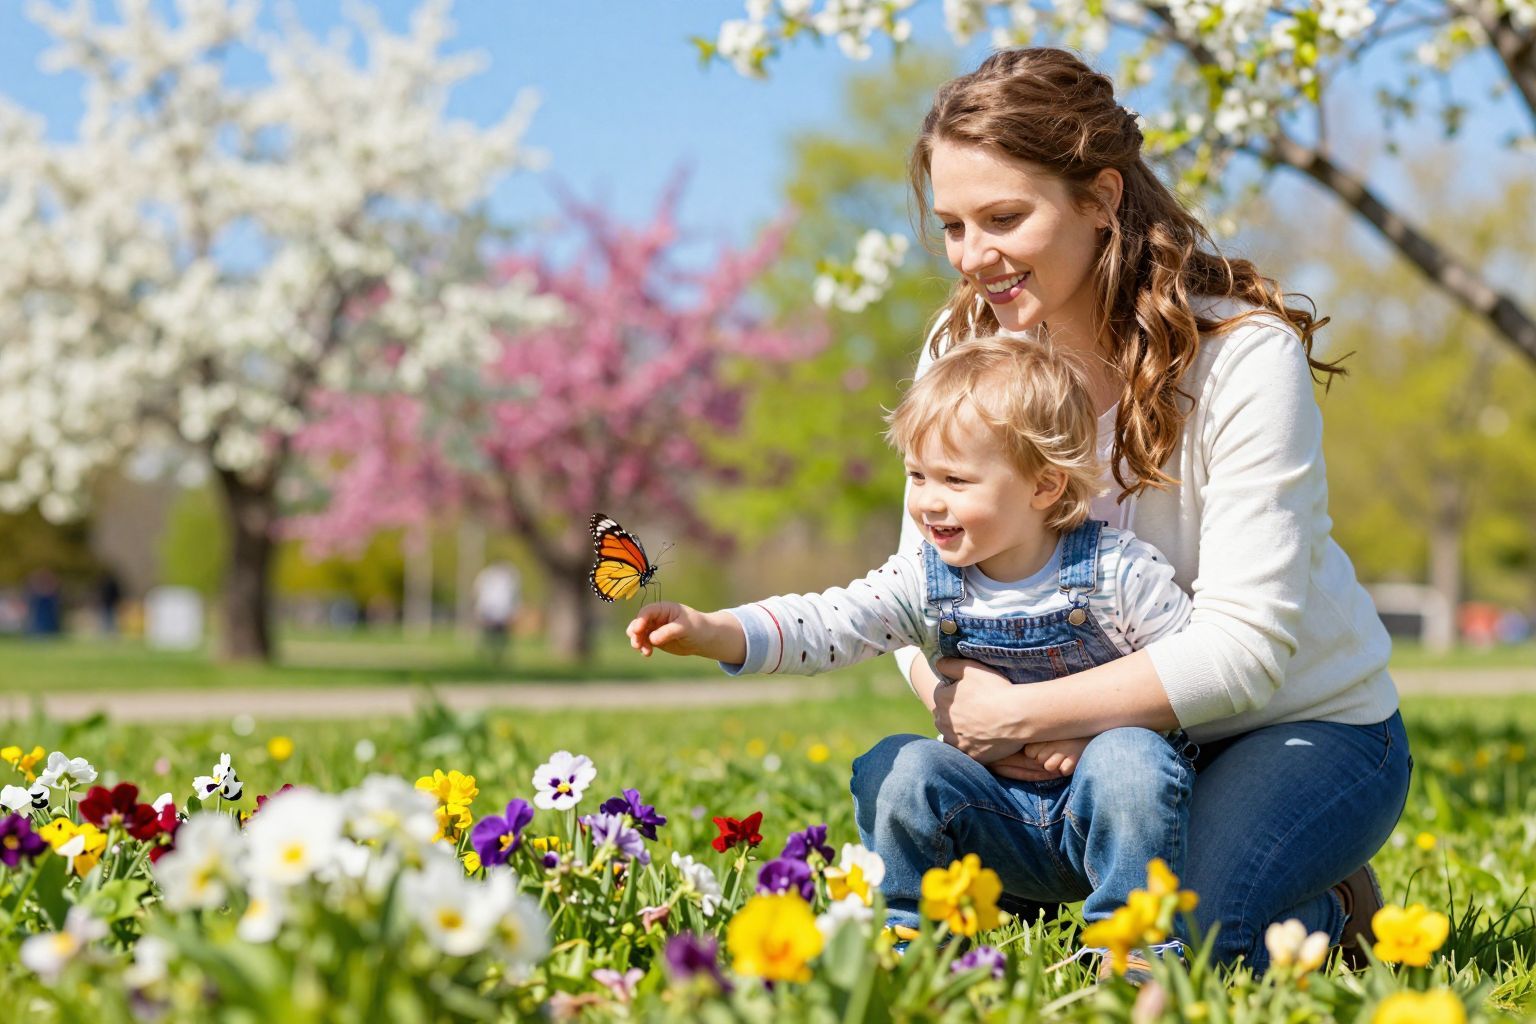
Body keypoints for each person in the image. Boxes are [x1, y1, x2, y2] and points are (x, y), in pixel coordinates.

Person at [852, 47, 1406, 974]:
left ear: (1101, 199)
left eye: (1003, 218)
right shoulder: (961, 347)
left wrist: (1029, 715)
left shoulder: (1238, 356)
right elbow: (923, 583)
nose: (972, 256)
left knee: (1182, 948)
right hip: (1088, 752)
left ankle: (1333, 898)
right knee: (1053, 907)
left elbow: (1245, 652)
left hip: (1292, 729)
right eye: (952, 225)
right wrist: (966, 702)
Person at [627, 334, 1197, 937]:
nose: (927, 502)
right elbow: (827, 623)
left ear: (1044, 485)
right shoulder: (923, 581)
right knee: (896, 767)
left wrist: (1097, 738)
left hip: (1111, 820)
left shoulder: (1119, 572)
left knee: (1129, 762)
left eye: (955, 479)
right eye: (917, 475)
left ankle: (1132, 945)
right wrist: (714, 631)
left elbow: (1192, 678)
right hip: (992, 818)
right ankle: (915, 935)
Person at [472, 561, 521, 665]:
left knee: (500, 635)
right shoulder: (487, 575)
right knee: (490, 634)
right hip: (490, 609)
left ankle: (498, 655)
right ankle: (488, 655)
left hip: (501, 610)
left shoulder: (509, 576)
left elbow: (515, 595)